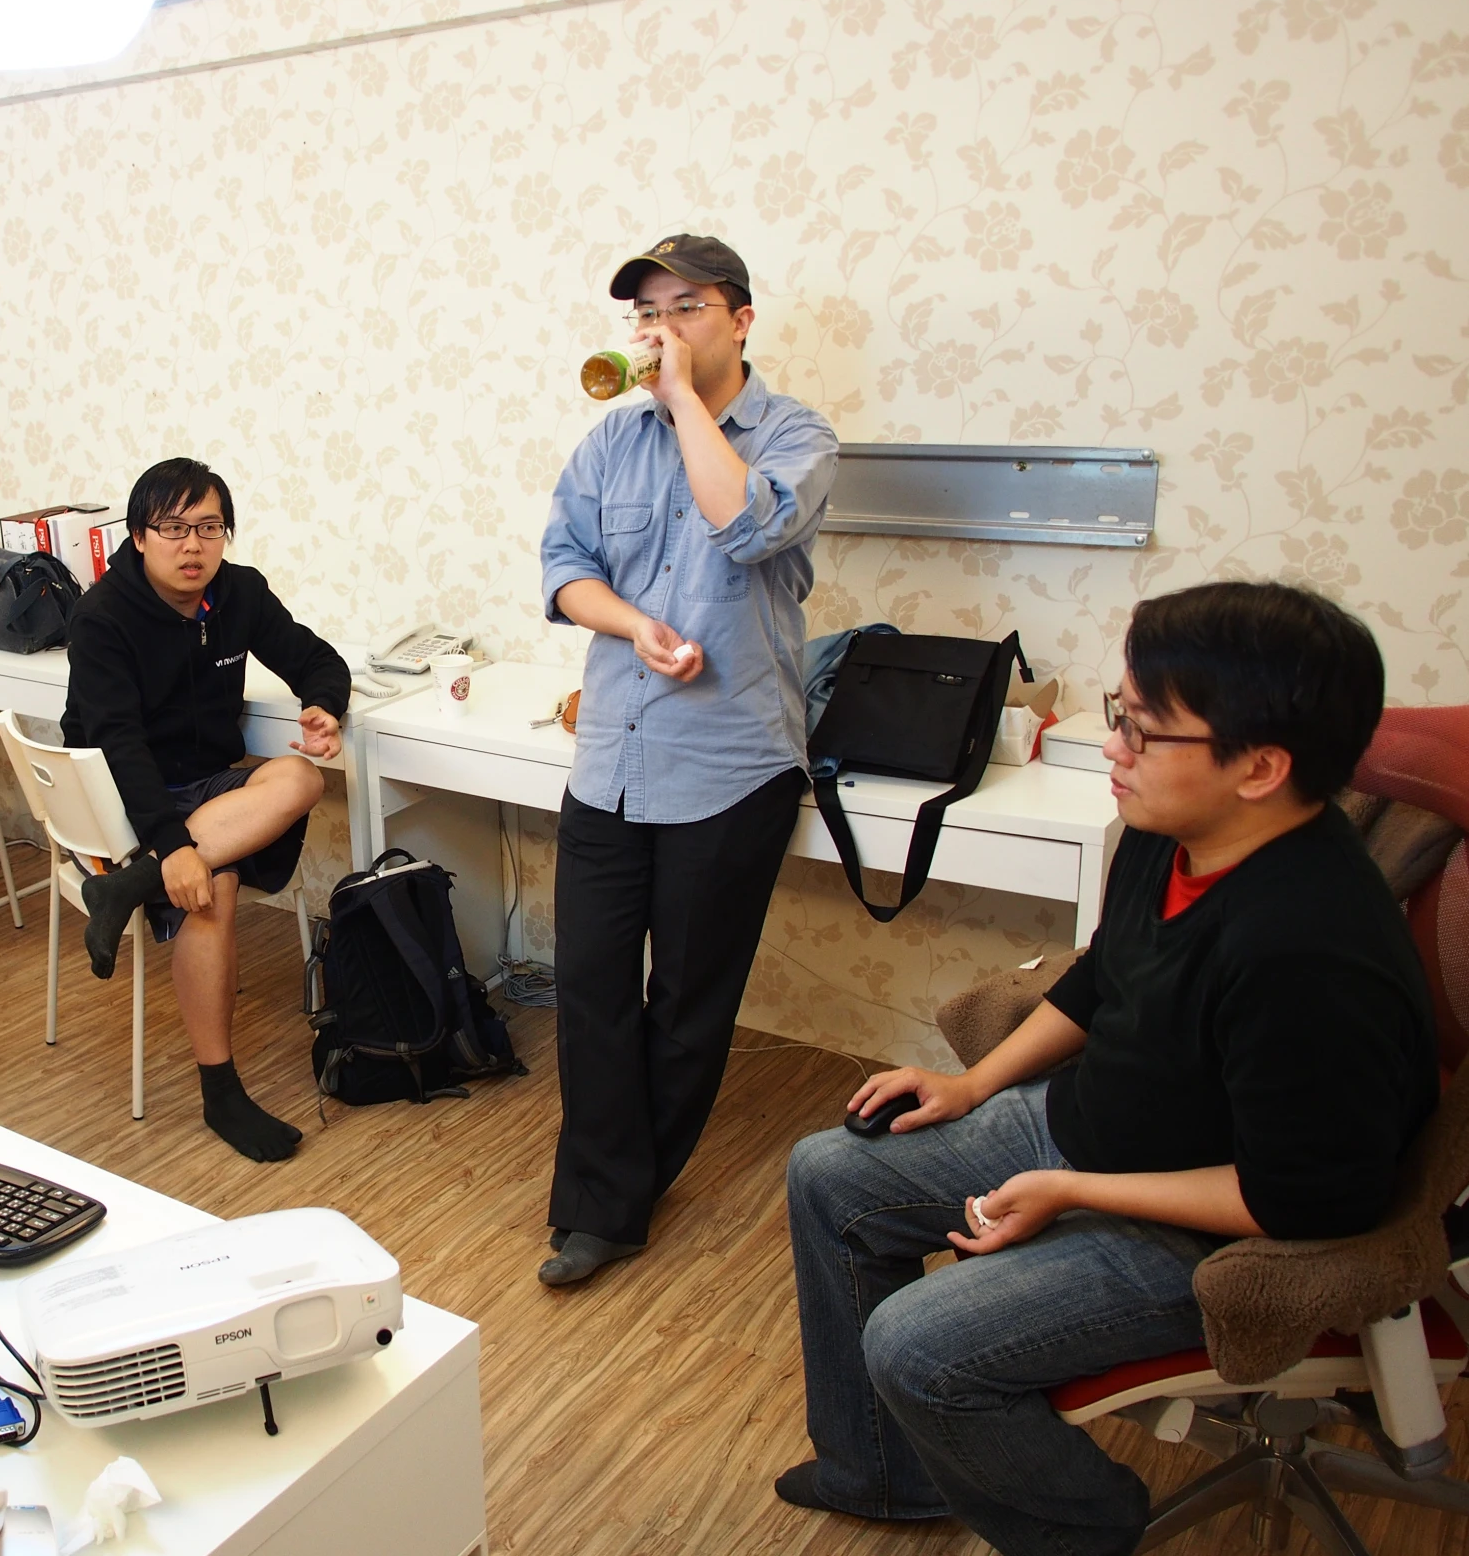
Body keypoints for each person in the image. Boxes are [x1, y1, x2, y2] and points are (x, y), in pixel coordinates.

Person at [779, 581, 1435, 1556]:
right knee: (829, 1171)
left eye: (1141, 730)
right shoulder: (1166, 832)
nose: (1111, 746)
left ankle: (1083, 1528)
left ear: (1259, 766)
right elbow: (1099, 983)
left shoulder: (1305, 949)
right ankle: (883, 1471)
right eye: (1121, 715)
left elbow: (1300, 1198)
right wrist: (973, 1082)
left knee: (916, 1347)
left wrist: (1068, 1189)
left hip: (1199, 1227)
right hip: (1096, 1127)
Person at [534, 233, 840, 1285]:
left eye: (684, 308)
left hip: (732, 765)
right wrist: (632, 627)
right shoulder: (609, 443)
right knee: (588, 984)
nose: (656, 329)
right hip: (612, 751)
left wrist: (684, 404)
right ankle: (610, 1197)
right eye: (643, 313)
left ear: (741, 317)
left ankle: (609, 1204)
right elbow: (562, 563)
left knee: (688, 1003)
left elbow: (746, 526)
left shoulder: (796, 435)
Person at [61, 457, 350, 1162]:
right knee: (208, 890)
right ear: (137, 535)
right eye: (173, 528)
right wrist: (173, 845)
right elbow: (121, 746)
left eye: (210, 527)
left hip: (207, 791)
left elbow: (319, 658)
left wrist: (323, 708)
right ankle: (220, 1092)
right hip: (128, 802)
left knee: (301, 778)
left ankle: (131, 885)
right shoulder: (102, 617)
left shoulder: (238, 593)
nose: (193, 545)